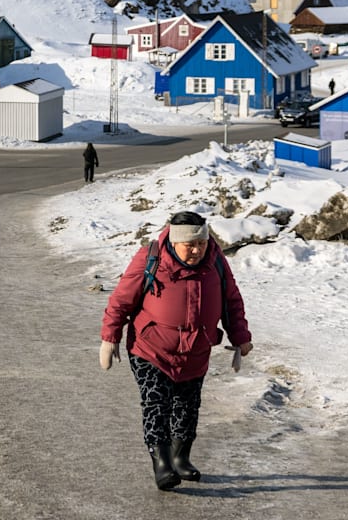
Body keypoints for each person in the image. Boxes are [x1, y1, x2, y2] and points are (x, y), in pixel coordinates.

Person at [99, 210, 253, 491]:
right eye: (190, 245)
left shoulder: (216, 261)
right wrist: (110, 337)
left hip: (196, 350)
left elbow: (231, 301)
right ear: (175, 240)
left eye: (201, 244)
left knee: (187, 406)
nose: (196, 251)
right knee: (157, 404)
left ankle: (181, 457)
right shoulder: (151, 258)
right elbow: (121, 300)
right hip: (151, 349)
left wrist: (240, 337)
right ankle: (162, 463)